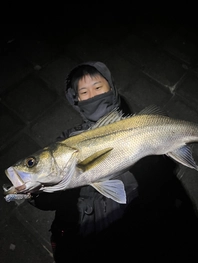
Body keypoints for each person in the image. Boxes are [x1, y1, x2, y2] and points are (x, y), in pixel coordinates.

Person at [29, 61, 140, 262]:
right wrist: (36, 192)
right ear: (77, 100)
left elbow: (157, 180)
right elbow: (53, 200)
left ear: (111, 89)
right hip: (78, 240)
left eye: (98, 87)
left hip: (132, 235)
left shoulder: (138, 126)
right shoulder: (66, 140)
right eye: (84, 92)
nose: (93, 95)